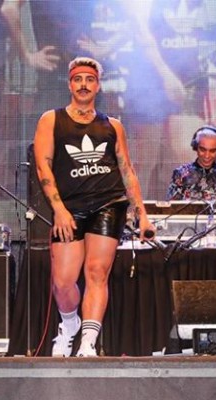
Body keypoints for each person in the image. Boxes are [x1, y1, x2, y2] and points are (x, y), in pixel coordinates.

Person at [33, 56, 154, 357]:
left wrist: (142, 215)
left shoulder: (113, 125)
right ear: (70, 84)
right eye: (78, 79)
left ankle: (88, 341)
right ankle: (69, 324)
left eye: (89, 79)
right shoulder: (51, 120)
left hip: (108, 203)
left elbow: (127, 170)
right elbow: (43, 167)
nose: (83, 85)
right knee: (63, 282)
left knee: (97, 271)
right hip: (69, 207)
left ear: (98, 85)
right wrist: (59, 210)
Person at [166, 125, 216, 200]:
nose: (207, 155)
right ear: (195, 147)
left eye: (212, 151)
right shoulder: (180, 173)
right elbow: (172, 205)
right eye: (203, 150)